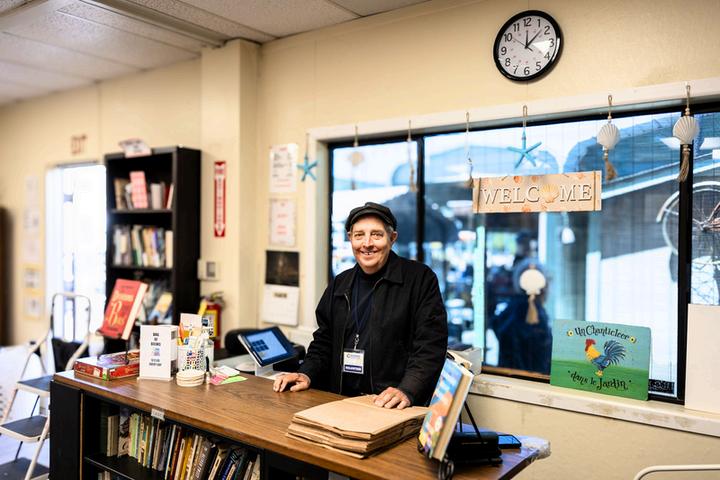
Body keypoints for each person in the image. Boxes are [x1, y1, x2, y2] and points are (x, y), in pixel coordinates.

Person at [273, 202, 448, 409]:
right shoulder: (340, 284)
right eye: (359, 235)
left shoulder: (420, 279)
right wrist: (306, 372)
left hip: (390, 405)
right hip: (340, 402)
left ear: (392, 238)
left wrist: (408, 389)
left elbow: (430, 347)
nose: (367, 243)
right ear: (350, 238)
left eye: (376, 235)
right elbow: (324, 341)